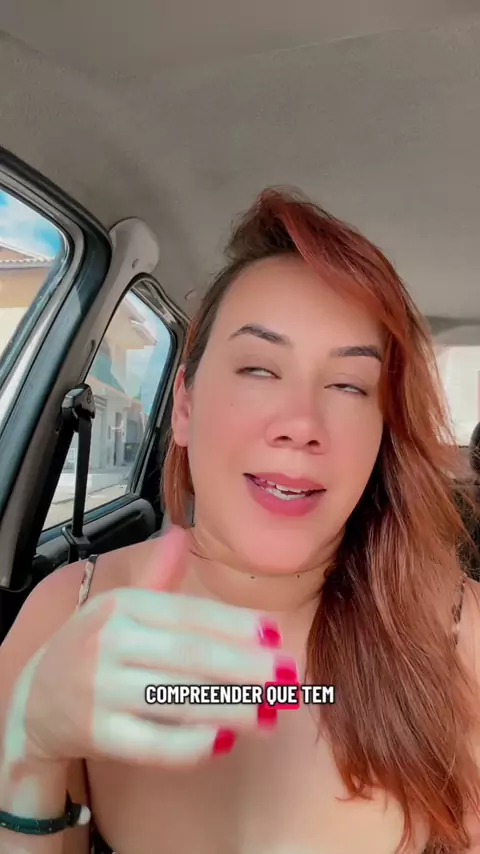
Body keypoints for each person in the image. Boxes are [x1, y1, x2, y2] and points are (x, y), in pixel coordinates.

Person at [1, 187, 480, 854]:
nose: (301, 424)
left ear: (382, 431)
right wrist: (31, 752)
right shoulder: (69, 614)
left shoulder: (457, 630)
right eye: (258, 368)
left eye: (348, 385)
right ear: (186, 406)